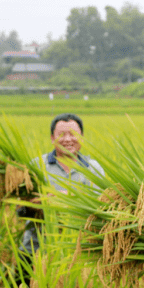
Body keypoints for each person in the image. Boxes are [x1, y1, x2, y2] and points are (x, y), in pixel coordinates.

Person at [17, 113, 105, 275]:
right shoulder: (36, 166)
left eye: (73, 134)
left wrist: (71, 198)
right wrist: (43, 201)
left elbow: (103, 209)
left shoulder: (94, 169)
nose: (68, 139)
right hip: (36, 250)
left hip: (80, 255)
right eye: (62, 135)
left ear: (82, 137)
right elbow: (21, 208)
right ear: (52, 138)